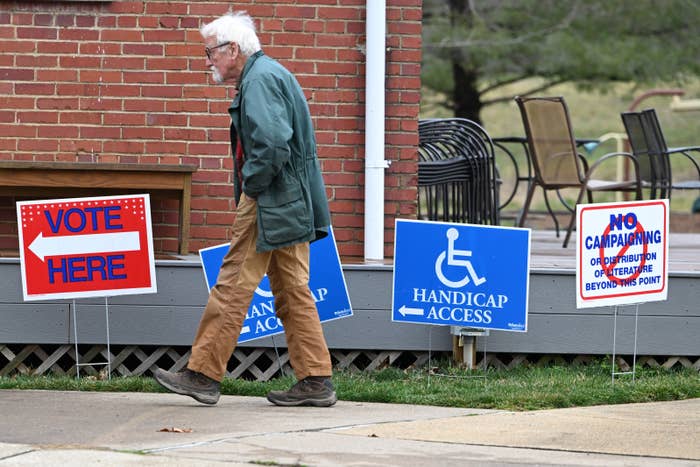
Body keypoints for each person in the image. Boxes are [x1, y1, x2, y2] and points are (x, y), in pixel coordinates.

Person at [154, 11, 336, 407]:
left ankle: (202, 373)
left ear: (233, 49)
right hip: (289, 202)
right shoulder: (269, 74)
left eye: (210, 52)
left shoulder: (259, 81)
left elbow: (271, 145)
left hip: (269, 201)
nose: (207, 61)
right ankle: (316, 380)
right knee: (292, 289)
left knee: (234, 281)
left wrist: (251, 189)